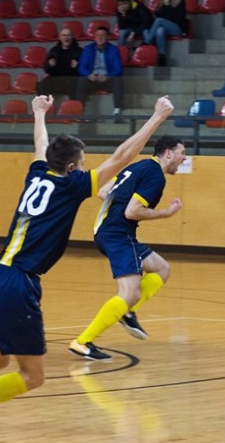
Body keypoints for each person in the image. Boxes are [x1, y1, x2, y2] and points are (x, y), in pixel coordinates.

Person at [0, 94, 175, 439]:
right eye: (84, 162)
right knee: (33, 375)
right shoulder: (71, 185)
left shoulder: (36, 173)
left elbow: (40, 145)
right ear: (74, 167)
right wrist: (156, 117)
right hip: (19, 284)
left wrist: (38, 114)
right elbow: (123, 156)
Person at [69, 136, 187, 360]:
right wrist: (165, 213)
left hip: (108, 231)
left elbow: (105, 190)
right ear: (168, 153)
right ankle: (83, 342)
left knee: (162, 269)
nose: (185, 157)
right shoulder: (155, 177)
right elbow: (131, 212)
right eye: (182, 152)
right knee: (129, 292)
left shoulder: (138, 167)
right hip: (117, 234)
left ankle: (127, 310)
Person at [75, 27, 124, 118]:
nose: (100, 38)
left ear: (107, 37)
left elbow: (118, 69)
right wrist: (88, 75)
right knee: (82, 80)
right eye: (97, 35)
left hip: (106, 79)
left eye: (102, 35)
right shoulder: (88, 49)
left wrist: (107, 76)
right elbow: (82, 68)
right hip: (92, 79)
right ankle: (80, 111)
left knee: (118, 80)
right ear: (94, 37)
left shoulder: (113, 50)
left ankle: (117, 110)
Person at [37, 28, 83, 102]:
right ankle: (41, 108)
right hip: (57, 80)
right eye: (64, 35)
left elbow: (84, 70)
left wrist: (77, 66)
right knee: (42, 83)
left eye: (69, 35)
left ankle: (74, 109)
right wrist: (49, 65)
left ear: (72, 37)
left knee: (75, 84)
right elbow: (46, 69)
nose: (66, 37)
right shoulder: (54, 50)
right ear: (60, 37)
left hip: (71, 79)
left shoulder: (79, 51)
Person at [143, 0, 190, 66]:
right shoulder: (162, 2)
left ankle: (146, 43)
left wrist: (168, 6)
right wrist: (160, 7)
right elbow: (159, 16)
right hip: (167, 27)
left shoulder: (180, 1)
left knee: (159, 21)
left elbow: (177, 18)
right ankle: (162, 57)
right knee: (160, 30)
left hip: (179, 28)